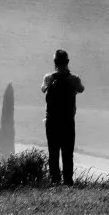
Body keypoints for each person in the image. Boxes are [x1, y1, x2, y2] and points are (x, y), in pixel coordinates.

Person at [42, 48, 86, 185]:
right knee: (68, 154)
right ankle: (68, 181)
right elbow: (81, 89)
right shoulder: (74, 79)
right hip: (67, 121)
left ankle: (55, 181)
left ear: (55, 62)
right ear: (67, 62)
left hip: (52, 121)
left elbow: (43, 89)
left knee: (53, 153)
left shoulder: (49, 78)